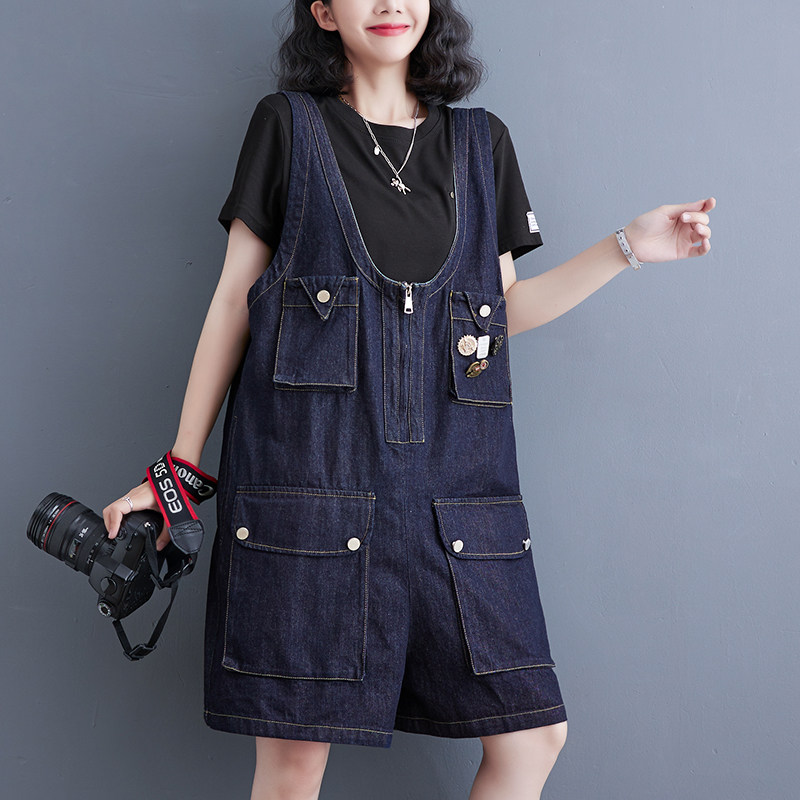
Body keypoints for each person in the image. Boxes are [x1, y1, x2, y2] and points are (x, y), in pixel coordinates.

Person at [102, 1, 715, 798]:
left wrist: (626, 248)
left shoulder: (481, 143)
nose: (391, 2)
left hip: (458, 507)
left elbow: (501, 311)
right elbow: (233, 302)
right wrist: (178, 472)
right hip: (309, 499)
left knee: (532, 738)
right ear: (325, 12)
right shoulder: (287, 127)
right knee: (293, 767)